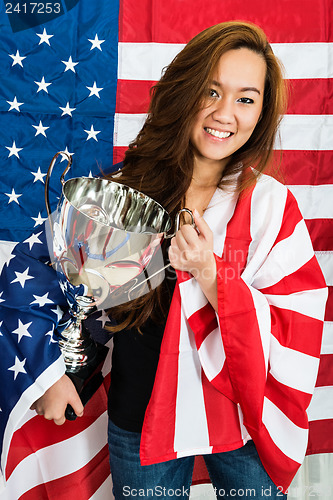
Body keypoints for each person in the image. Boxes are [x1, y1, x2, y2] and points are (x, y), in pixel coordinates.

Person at [0, 21, 328, 499]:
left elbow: (298, 322)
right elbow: (35, 268)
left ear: (261, 113)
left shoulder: (272, 208)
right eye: (211, 90)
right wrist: (48, 371)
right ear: (185, 90)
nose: (224, 112)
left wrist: (213, 276)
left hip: (240, 420)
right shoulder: (123, 190)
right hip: (142, 416)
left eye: (245, 98)